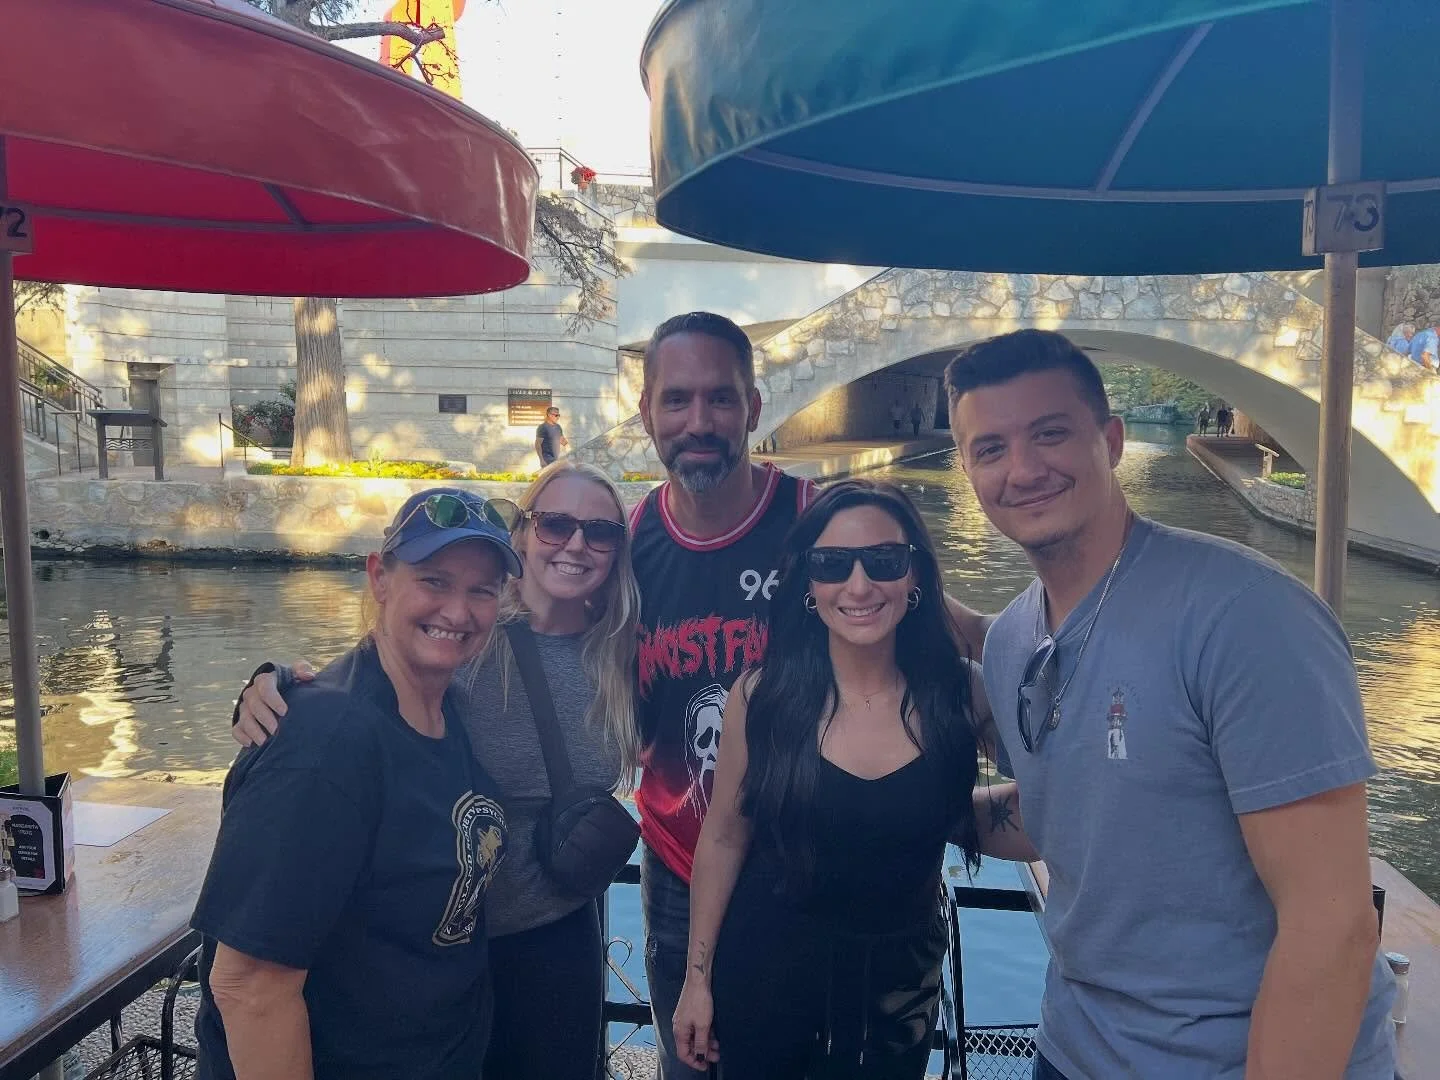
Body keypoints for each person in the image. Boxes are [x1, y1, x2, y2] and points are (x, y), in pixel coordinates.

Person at [943, 329, 1396, 1080]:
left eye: (1049, 434)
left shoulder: (1246, 616)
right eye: (989, 449)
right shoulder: (1014, 639)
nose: (1021, 470)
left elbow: (1333, 926)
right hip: (1074, 1049)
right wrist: (911, 806)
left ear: (1111, 441)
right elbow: (1073, 815)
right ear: (967, 468)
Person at [629, 312, 992, 1079]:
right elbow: (531, 630)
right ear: (647, 413)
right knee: (691, 1063)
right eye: (678, 400)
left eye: (721, 400)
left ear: (754, 408)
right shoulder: (630, 545)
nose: (700, 421)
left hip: (834, 862)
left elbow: (958, 629)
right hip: (681, 864)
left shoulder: (822, 531)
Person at [232, 462, 643, 1080]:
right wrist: (276, 686)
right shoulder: (472, 637)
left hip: (554, 928)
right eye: (556, 524)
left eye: (600, 532)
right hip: (440, 936)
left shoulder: (623, 647)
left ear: (618, 549)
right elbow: (373, 682)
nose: (577, 544)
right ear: (526, 532)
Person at [670, 480, 1036, 1078]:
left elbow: (1040, 797)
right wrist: (697, 982)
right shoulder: (762, 697)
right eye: (833, 565)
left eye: (885, 562)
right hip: (767, 975)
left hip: (897, 994)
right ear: (808, 585)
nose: (859, 585)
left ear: (915, 576)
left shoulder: (962, 693)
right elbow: (724, 838)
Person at [193, 487, 521, 1080]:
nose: (459, 610)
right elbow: (248, 987)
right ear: (380, 578)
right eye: (435, 580)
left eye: (482, 590)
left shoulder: (446, 712)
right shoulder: (326, 740)